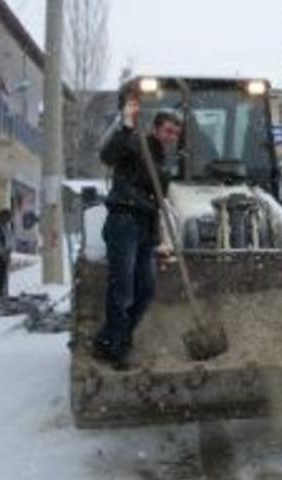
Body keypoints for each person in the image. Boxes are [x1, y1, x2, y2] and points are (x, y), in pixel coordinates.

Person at [93, 91, 182, 370]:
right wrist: (127, 126)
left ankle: (113, 339)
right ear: (156, 129)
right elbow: (108, 155)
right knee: (123, 289)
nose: (171, 136)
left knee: (145, 290)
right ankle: (115, 348)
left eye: (176, 133)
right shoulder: (135, 143)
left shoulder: (161, 161)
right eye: (168, 130)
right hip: (124, 222)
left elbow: (158, 198)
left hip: (145, 226)